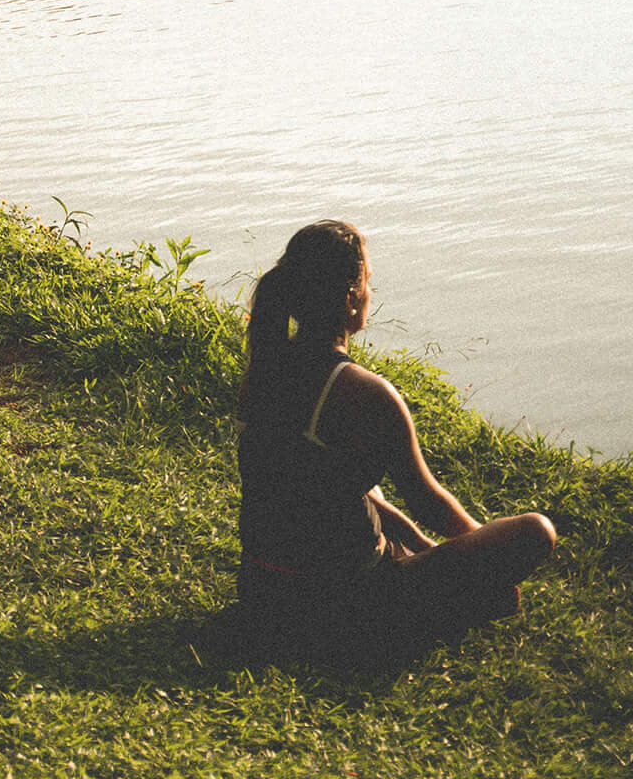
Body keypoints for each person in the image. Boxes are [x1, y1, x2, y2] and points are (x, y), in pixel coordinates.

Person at [236, 220, 555, 650]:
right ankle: (447, 603)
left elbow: (319, 487)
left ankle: (442, 583)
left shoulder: (265, 372)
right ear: (351, 298)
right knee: (536, 531)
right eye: (369, 282)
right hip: (343, 605)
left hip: (263, 593)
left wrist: (420, 544)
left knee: (359, 479)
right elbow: (428, 501)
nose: (370, 293)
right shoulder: (364, 393)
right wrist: (483, 552)